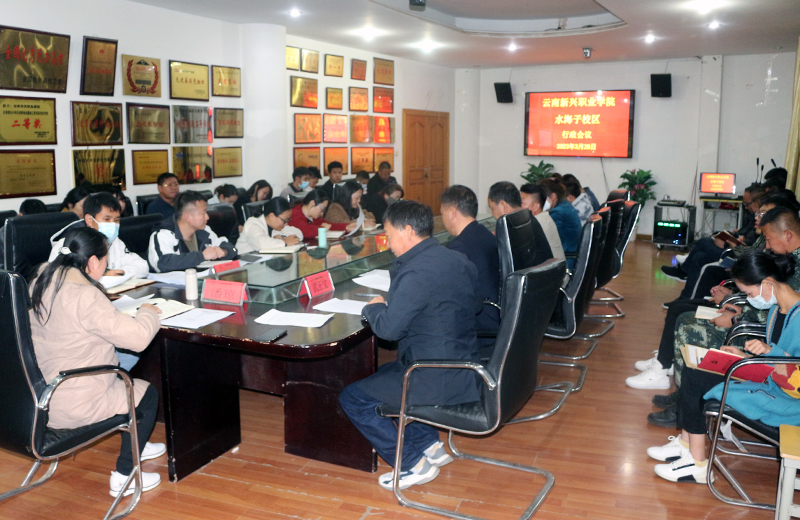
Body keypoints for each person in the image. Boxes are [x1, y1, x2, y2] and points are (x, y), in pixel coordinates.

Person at [339, 200, 481, 490]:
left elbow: (389, 331)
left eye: (389, 235)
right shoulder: (456, 258)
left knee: (353, 398)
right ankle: (430, 445)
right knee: (386, 374)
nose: (388, 243)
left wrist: (374, 308)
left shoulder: (416, 272)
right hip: (464, 366)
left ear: (407, 230)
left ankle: (412, 464)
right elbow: (475, 306)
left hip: (433, 375)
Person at [29, 226, 165, 497]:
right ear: (92, 262)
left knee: (123, 377)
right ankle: (125, 476)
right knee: (146, 394)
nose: (105, 267)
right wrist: (148, 312)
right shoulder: (85, 295)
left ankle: (137, 441)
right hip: (77, 402)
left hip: (42, 397)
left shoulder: (40, 280)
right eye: (105, 261)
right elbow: (139, 338)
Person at [648, 250, 800, 484]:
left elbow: (792, 374)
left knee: (697, 379)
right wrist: (744, 356)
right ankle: (687, 446)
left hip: (787, 400)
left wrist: (769, 352)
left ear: (768, 283)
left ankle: (697, 464)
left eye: (749, 293)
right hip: (771, 381)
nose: (749, 299)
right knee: (695, 368)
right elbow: (776, 361)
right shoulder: (775, 311)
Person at [441, 185, 500, 357]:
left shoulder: (458, 248)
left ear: (452, 212)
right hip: (498, 316)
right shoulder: (485, 233)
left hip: (480, 328)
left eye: (442, 213)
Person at [49, 192, 150, 279]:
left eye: (116, 220)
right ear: (89, 220)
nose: (113, 224)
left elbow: (142, 266)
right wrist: (103, 276)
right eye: (107, 219)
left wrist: (121, 273)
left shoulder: (114, 241)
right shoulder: (66, 245)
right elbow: (57, 278)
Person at [148, 190, 237, 272]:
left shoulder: (204, 231)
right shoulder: (163, 235)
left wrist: (224, 251)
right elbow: (163, 263)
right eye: (203, 213)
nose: (207, 217)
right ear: (188, 217)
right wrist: (202, 256)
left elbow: (231, 247)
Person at [487, 181, 553, 267]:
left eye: (492, 208)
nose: (493, 214)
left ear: (503, 205)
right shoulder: (528, 218)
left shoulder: (510, 226)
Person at [236, 197, 303, 254]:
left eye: (288, 220)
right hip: (245, 262)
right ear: (272, 216)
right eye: (285, 220)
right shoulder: (252, 224)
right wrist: (284, 242)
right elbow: (261, 245)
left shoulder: (275, 226)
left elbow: (299, 234)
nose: (286, 223)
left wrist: (282, 238)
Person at [538, 179, 581, 267]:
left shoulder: (557, 212)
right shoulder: (565, 205)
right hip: (573, 253)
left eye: (541, 198)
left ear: (553, 196)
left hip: (567, 259)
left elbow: (546, 237)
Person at [520, 183, 565, 260]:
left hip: (550, 266)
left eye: (521, 203)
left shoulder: (537, 223)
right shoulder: (543, 216)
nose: (517, 207)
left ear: (536, 206)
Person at [288, 189, 357, 238]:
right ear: (312, 203)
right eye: (322, 209)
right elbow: (305, 231)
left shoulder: (312, 216)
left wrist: (346, 227)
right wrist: (322, 229)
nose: (322, 213)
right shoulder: (294, 213)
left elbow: (329, 225)